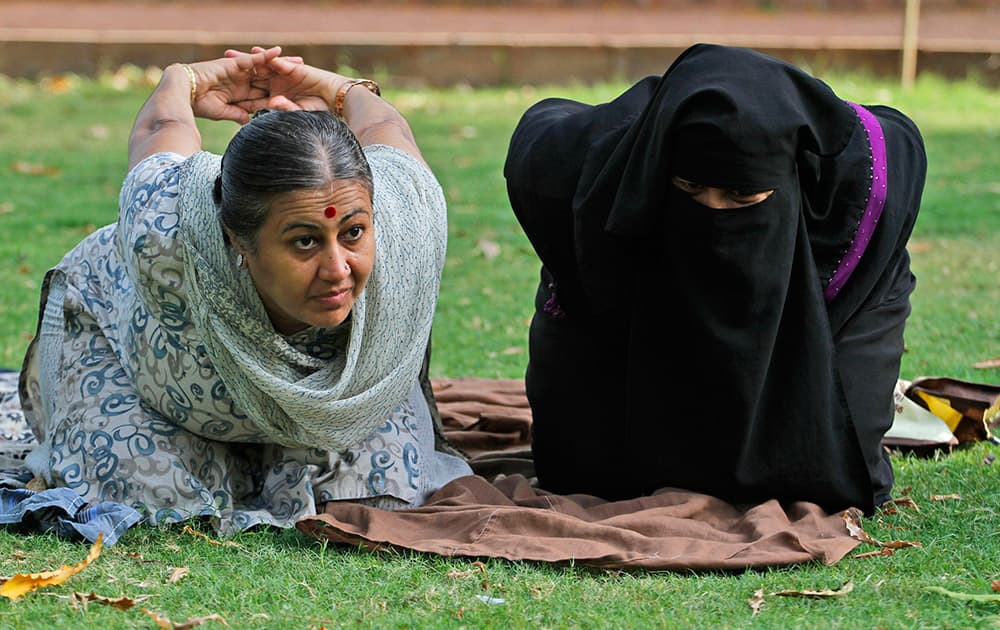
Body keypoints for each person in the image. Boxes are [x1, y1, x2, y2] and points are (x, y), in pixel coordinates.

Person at [17, 46, 471, 535]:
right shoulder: (166, 234)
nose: (338, 269)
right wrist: (181, 80)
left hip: (325, 406)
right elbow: (159, 131)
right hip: (144, 371)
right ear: (238, 241)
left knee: (376, 496)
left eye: (353, 233)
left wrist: (342, 90)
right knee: (149, 495)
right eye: (305, 242)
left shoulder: (405, 222)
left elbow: (388, 132)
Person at [504, 43, 925, 515]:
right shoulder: (592, 164)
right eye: (691, 190)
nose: (714, 210)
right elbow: (537, 143)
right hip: (628, 314)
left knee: (830, 476)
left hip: (816, 313)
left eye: (742, 196)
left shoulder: (855, 193)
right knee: (582, 473)